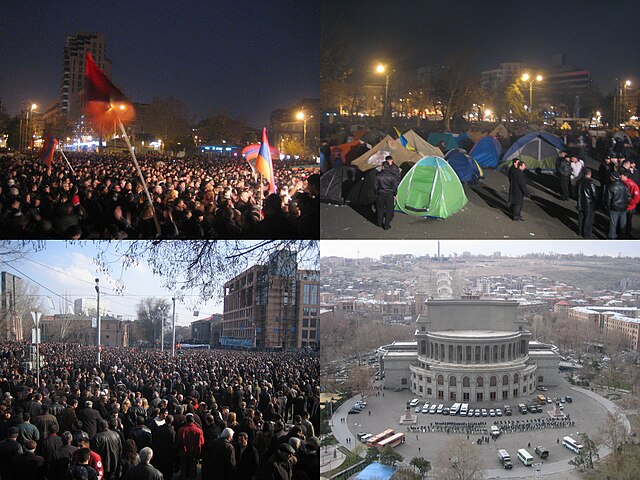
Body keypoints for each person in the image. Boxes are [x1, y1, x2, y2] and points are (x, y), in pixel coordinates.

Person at [604, 172, 631, 239]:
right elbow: (629, 197)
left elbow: (608, 200)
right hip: (623, 208)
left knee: (613, 224)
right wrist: (626, 205)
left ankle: (612, 238)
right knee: (623, 224)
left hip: (614, 208)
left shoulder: (611, 187)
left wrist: (608, 208)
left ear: (613, 178)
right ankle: (622, 237)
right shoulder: (625, 186)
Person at [178, 412, 204, 480]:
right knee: (193, 469)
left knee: (183, 469)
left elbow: (179, 441)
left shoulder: (181, 430)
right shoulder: (199, 431)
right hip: (194, 453)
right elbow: (201, 442)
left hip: (183, 452)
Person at [374, 161, 399, 230]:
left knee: (380, 209)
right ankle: (386, 225)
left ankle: (379, 223)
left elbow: (375, 186)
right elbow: (395, 187)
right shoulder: (392, 176)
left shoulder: (378, 175)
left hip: (380, 194)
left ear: (383, 166)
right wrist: (395, 194)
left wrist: (376, 193)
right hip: (389, 194)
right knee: (389, 210)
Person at [576, 168, 599, 239]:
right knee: (588, 219)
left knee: (581, 218)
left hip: (580, 202)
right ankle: (586, 234)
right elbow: (594, 194)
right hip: (589, 204)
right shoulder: (591, 183)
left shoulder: (579, 181)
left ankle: (580, 231)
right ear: (590, 174)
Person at [619, 169, 640, 238]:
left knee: (627, 222)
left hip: (629, 207)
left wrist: (630, 204)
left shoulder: (632, 185)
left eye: (621, 175)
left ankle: (626, 235)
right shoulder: (622, 182)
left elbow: (636, 197)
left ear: (625, 176)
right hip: (623, 205)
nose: (619, 176)